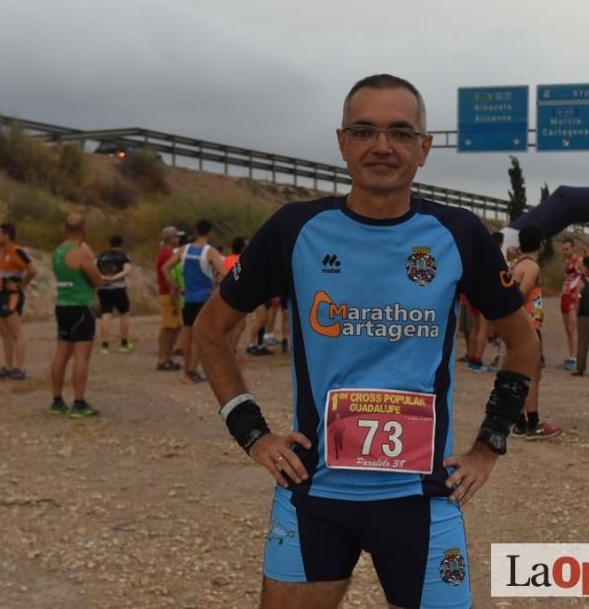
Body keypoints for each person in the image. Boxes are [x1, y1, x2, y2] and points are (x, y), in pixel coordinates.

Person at [194, 74, 540, 609]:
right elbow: (210, 331)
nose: (382, 146)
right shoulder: (295, 229)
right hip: (313, 497)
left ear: (424, 149)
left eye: (401, 133)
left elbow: (523, 344)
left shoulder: (459, 233)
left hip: (423, 502)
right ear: (342, 142)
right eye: (365, 131)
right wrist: (252, 433)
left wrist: (489, 444)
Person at [49, 213, 104, 417]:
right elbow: (96, 279)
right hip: (81, 306)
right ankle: (79, 402)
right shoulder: (80, 251)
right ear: (84, 228)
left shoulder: (57, 251)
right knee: (81, 355)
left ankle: (57, 400)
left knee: (61, 353)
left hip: (62, 304)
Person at [510, 224, 562, 439]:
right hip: (528, 326)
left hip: (523, 325)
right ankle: (533, 423)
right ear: (541, 244)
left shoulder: (518, 264)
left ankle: (520, 422)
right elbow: (519, 297)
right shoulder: (531, 267)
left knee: (524, 373)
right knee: (533, 374)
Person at [167, 218, 226, 384]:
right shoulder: (210, 252)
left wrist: (176, 286)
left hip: (188, 297)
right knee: (199, 337)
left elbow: (166, 267)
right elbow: (226, 274)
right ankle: (191, 373)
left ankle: (187, 371)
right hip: (204, 299)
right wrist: (216, 290)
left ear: (195, 231)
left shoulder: (184, 249)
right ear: (209, 232)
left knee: (187, 333)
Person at [0, 223, 37, 380]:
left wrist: (20, 285)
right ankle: (8, 367)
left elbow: (32, 269)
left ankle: (19, 368)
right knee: (4, 334)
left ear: (7, 236)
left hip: (11, 296)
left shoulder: (16, 251)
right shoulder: (3, 252)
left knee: (16, 333)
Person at [96, 235, 134, 354]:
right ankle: (123, 343)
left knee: (105, 315)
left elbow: (93, 270)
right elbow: (127, 270)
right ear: (121, 244)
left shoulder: (101, 256)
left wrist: (103, 278)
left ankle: (104, 345)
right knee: (124, 314)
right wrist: (114, 278)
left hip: (103, 288)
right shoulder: (124, 256)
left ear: (110, 243)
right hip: (118, 288)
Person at [156, 226, 182, 371]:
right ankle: (162, 358)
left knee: (175, 327)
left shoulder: (167, 253)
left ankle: (167, 357)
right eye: (175, 237)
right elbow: (169, 277)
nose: (177, 239)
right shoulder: (166, 255)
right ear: (169, 238)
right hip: (168, 293)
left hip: (171, 293)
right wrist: (174, 295)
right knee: (168, 327)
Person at [558, 238, 581, 370]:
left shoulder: (578, 260)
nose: (565, 251)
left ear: (573, 248)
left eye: (567, 249)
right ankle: (571, 356)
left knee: (573, 328)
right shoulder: (566, 261)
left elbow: (583, 275)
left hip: (573, 297)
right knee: (568, 329)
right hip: (565, 296)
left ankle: (574, 358)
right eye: (563, 249)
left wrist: (578, 293)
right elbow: (567, 278)